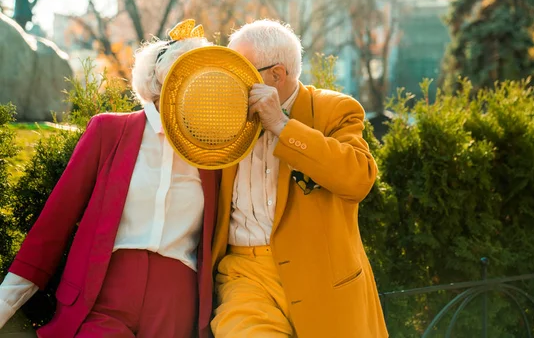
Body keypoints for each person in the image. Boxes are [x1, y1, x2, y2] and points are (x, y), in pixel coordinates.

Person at [0, 23, 220, 338]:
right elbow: (55, 222)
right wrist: (6, 301)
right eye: (182, 77)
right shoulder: (108, 132)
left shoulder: (214, 153)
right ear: (157, 79)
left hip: (176, 300)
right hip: (103, 293)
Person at [210, 19, 389, 337]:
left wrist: (281, 124)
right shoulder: (223, 115)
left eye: (240, 70)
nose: (228, 79)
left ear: (277, 74)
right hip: (244, 277)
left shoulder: (335, 110)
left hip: (323, 280)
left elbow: (359, 179)